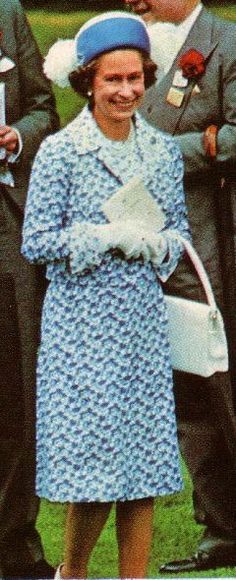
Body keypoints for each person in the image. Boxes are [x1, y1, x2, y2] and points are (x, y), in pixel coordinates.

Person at [21, 11, 190, 579]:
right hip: (81, 331)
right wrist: (102, 236)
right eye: (112, 80)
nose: (126, 91)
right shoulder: (60, 152)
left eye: (135, 79)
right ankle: (73, 573)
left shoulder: (163, 152)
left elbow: (181, 237)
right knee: (92, 470)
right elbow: (36, 240)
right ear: (88, 82)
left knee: (142, 469)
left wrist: (155, 245)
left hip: (141, 328)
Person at [124, 0, 236, 573]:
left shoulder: (227, 41)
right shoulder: (131, 47)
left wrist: (169, 152)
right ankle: (219, 526)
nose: (132, 2)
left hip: (218, 247)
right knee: (188, 392)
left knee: (224, 381)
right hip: (156, 253)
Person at [0, 1, 59, 578]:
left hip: (7, 229)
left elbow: (44, 109)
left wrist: (16, 136)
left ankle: (14, 542)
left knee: (16, 390)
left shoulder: (7, 11)